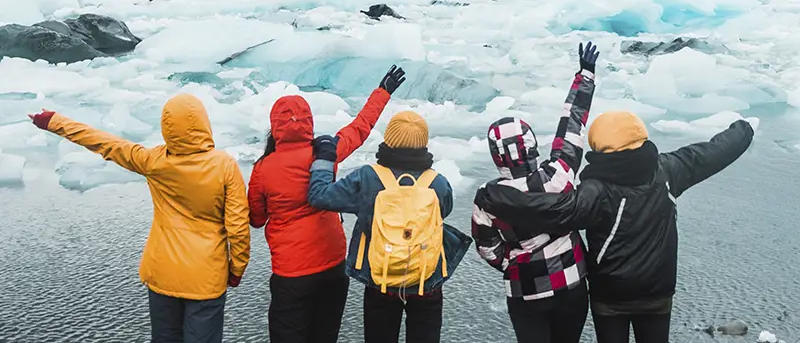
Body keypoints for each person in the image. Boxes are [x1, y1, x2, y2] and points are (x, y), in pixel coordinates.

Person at [474, 108, 756, 343]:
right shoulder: (668, 170)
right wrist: (743, 130)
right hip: (657, 292)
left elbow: (558, 210)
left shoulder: (594, 189)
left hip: (610, 296)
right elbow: (712, 152)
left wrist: (502, 198)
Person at [30, 93, 250, 343]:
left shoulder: (153, 161)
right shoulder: (224, 166)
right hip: (206, 276)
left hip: (162, 273)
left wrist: (54, 121)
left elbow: (105, 143)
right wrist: (237, 268)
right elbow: (238, 225)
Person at [247, 65, 406, 343]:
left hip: (291, 273)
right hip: (333, 267)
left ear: (275, 127)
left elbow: (256, 218)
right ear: (308, 122)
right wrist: (383, 92)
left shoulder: (263, 169)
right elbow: (359, 129)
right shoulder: (324, 154)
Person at [307, 110, 472, 343]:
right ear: (422, 143)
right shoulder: (438, 183)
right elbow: (445, 210)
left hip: (380, 282)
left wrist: (324, 159)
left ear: (389, 139)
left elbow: (319, 196)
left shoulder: (367, 178)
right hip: (426, 283)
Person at [472, 41, 599, 343]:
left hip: (525, 291)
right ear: (531, 146)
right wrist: (585, 75)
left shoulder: (486, 198)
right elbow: (572, 125)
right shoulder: (557, 176)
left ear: (495, 155)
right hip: (571, 284)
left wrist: (513, 262)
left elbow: (487, 247)